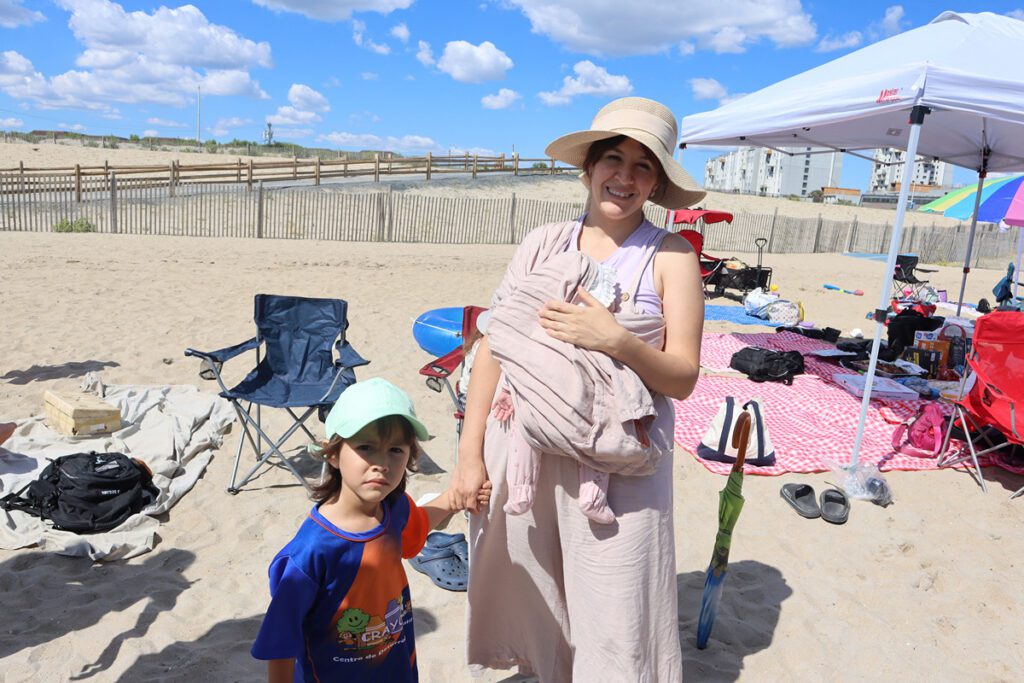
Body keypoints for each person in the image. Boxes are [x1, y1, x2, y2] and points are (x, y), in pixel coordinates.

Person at [452, 96, 706, 681]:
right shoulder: (543, 243)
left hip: (621, 463)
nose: (625, 177)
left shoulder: (671, 256)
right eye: (614, 159)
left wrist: (616, 340)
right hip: (525, 450)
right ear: (588, 168)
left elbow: (685, 378)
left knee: (619, 605)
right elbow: (495, 343)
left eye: (644, 166)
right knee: (536, 588)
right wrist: (469, 458)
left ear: (658, 181)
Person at [251, 377, 491, 682]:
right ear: (333, 454)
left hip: (395, 666)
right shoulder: (310, 553)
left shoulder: (394, 509)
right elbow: (281, 643)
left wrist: (455, 500)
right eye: (366, 447)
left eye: (395, 450)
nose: (382, 463)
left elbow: (417, 525)